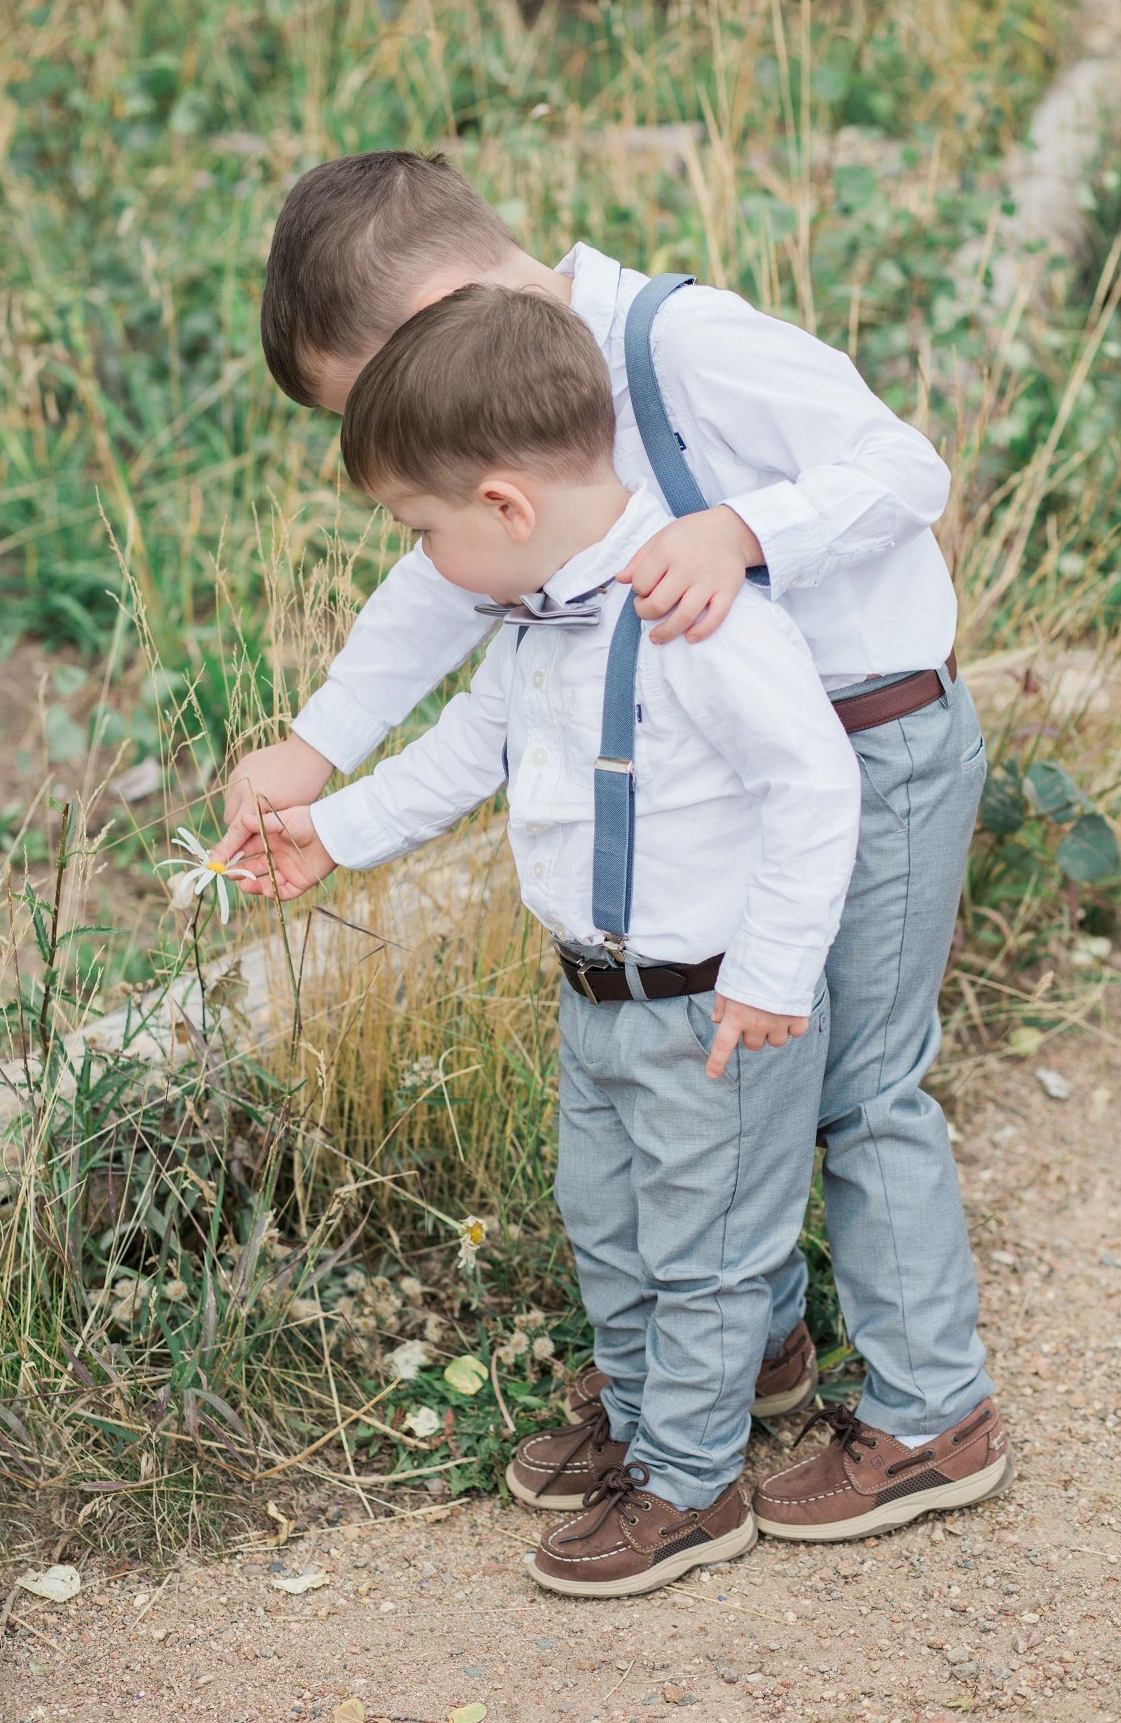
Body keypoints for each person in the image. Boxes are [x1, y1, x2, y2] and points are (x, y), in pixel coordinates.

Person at [218, 151, 1013, 1541]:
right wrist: (318, 751)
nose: (409, 436)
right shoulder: (516, 423)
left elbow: (905, 466)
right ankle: (738, 1357)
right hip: (707, 794)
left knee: (854, 1088)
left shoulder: (677, 340)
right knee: (729, 1082)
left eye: (387, 396)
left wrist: (740, 531)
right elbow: (439, 587)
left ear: (448, 308)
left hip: (862, 750)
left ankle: (932, 1415)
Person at [239, 284, 864, 1595]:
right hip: (598, 996)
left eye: (421, 530)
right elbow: (469, 751)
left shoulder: (702, 619)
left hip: (712, 1008)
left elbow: (816, 788)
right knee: (609, 1222)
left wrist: (771, 973)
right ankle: (644, 1424)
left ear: (507, 507)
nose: (422, 558)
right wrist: (330, 831)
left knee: (704, 1249)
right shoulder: (536, 618)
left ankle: (693, 1488)